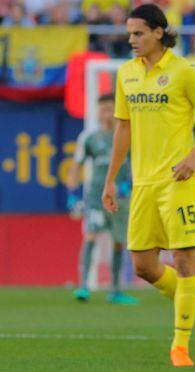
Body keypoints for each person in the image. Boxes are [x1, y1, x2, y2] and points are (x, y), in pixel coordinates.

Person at [102, 3, 195, 367]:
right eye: (129, 34)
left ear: (159, 32)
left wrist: (194, 157)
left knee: (184, 259)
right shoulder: (126, 73)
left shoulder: (183, 71)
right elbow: (122, 129)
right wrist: (111, 180)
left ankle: (179, 344)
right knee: (143, 266)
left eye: (138, 33)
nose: (132, 40)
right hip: (142, 182)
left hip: (179, 180)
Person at [67, 93, 138, 306]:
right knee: (90, 236)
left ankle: (115, 289)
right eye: (103, 108)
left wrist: (129, 184)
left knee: (118, 242)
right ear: (98, 111)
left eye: (110, 107)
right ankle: (84, 286)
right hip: (96, 197)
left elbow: (140, 164)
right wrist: (72, 195)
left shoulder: (128, 136)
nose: (106, 112)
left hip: (120, 198)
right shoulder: (88, 137)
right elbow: (75, 167)